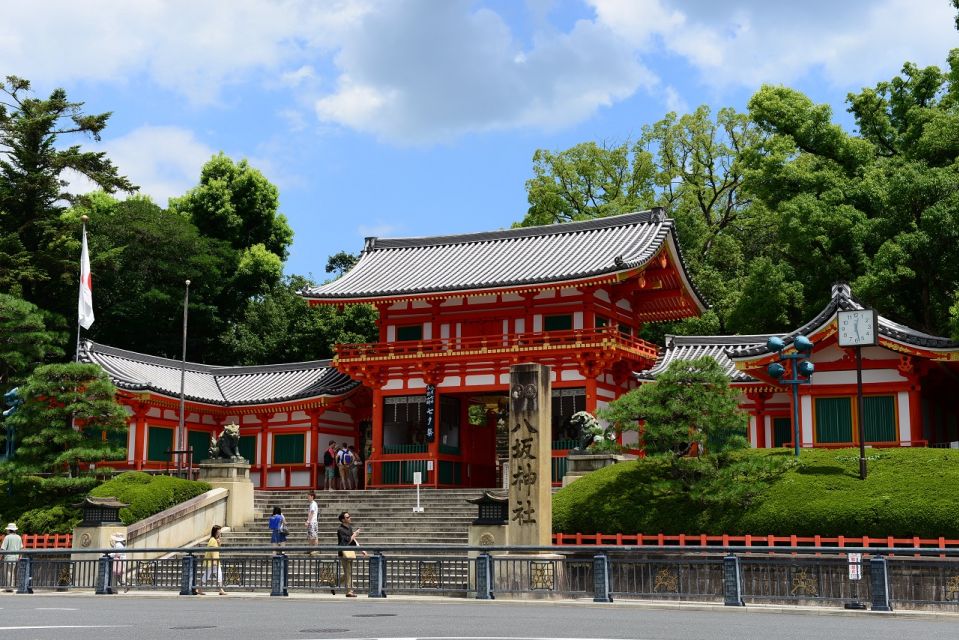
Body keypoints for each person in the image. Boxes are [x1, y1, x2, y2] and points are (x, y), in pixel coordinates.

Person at [334, 511, 366, 597]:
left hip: (350, 551)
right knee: (348, 572)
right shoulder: (340, 530)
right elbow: (346, 542)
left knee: (348, 572)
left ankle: (334, 583)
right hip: (343, 553)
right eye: (347, 517)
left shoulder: (349, 527)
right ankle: (349, 591)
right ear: (343, 520)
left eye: (349, 516)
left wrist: (361, 549)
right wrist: (355, 534)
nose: (349, 518)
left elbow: (353, 540)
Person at [197, 524, 226, 595]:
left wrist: (219, 543)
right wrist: (214, 561)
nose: (220, 533)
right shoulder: (213, 540)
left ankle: (220, 590)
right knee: (210, 575)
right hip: (213, 561)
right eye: (218, 532)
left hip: (213, 561)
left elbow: (216, 550)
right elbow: (213, 551)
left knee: (213, 575)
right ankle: (220, 590)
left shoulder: (214, 540)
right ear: (215, 532)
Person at [1, 522, 22, 592]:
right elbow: (21, 548)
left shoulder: (7, 537)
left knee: (8, 572)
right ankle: (12, 586)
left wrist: (0, 557)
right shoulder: (19, 537)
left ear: (9, 530)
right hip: (16, 557)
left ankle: (9, 587)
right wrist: (20, 557)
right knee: (13, 572)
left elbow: (3, 549)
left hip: (8, 558)